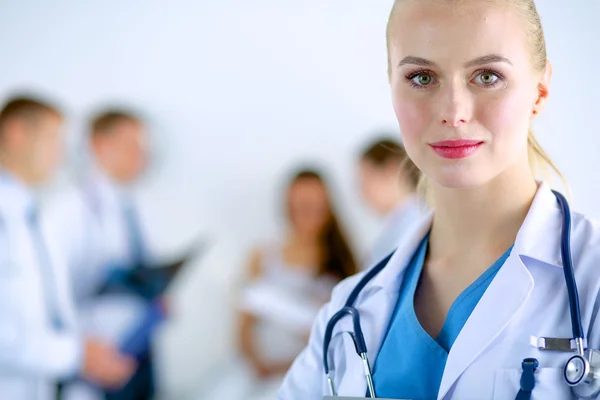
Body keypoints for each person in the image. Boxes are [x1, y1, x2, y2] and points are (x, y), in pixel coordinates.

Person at [278, 0, 600, 398]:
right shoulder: (348, 312)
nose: (453, 112)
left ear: (540, 90)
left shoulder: (591, 282)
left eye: (487, 75)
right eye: (422, 77)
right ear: (392, 88)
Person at [0, 96, 135, 399]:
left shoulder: (35, 216)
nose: (60, 154)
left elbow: (54, 309)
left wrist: (84, 353)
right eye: (53, 139)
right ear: (16, 133)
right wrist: (75, 355)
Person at [198, 169, 357, 400]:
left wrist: (288, 367)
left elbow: (336, 341)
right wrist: (257, 363)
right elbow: (243, 326)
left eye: (313, 207)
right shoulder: (262, 256)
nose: (306, 215)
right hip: (256, 370)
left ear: (327, 209)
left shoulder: (342, 265)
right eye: (299, 207)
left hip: (308, 371)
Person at [43, 108, 155, 400]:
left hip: (138, 345)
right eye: (132, 146)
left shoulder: (133, 204)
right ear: (99, 145)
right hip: (94, 354)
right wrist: (77, 351)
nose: (140, 156)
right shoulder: (67, 209)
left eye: (143, 148)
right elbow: (53, 295)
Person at [358, 137, 422, 267]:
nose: (362, 192)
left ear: (391, 169)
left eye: (366, 179)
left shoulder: (415, 224)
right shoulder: (398, 225)